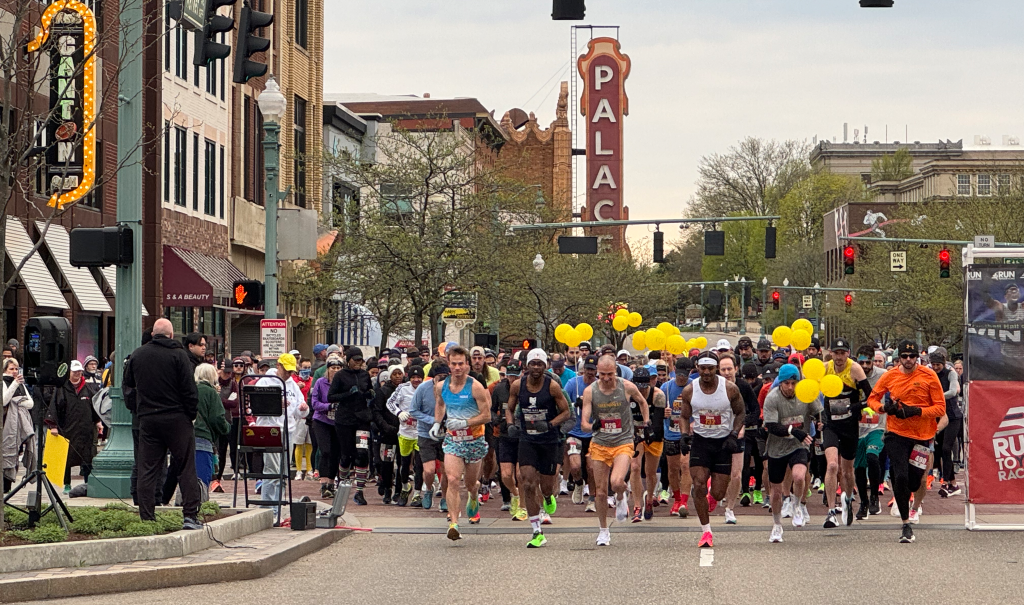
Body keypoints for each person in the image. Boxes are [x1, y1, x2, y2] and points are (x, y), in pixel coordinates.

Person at [123, 318, 202, 529]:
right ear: (170, 335)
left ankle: (147, 517)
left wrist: (138, 410)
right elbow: (189, 391)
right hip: (177, 418)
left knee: (147, 468)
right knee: (186, 467)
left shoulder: (138, 355)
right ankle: (190, 516)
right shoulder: (179, 356)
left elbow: (128, 389)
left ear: (152, 335)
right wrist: (190, 414)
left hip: (148, 419)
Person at [866, 340, 946, 543]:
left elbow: (940, 408)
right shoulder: (890, 375)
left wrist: (917, 411)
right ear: (898, 358)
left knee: (915, 480)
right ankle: (905, 524)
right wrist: (885, 409)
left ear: (917, 358)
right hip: (896, 432)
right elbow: (872, 399)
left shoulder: (929, 376)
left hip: (922, 435)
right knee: (900, 476)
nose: (908, 360)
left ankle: (911, 504)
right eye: (904, 357)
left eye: (912, 357)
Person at [580, 355, 649, 546]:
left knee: (617, 481)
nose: (606, 378)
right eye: (602, 374)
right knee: (601, 492)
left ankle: (621, 495)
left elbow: (642, 402)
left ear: (616, 372)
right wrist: (587, 425)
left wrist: (646, 421)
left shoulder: (626, 386)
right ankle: (603, 530)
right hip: (600, 442)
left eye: (610, 374)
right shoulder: (590, 391)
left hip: (623, 441)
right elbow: (585, 419)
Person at [678, 352, 745, 548]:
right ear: (697, 368)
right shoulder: (690, 390)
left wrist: (734, 434)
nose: (706, 372)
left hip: (723, 442)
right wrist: (684, 435)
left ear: (716, 368)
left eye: (710, 368)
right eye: (702, 368)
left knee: (717, 493)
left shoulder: (730, 389)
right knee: (698, 484)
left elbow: (741, 412)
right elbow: (683, 416)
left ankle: (711, 497)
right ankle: (706, 531)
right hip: (701, 441)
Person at [506, 349, 571, 548]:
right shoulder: (518, 385)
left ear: (545, 366)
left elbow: (566, 412)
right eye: (532, 364)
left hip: (549, 441)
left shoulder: (552, 387)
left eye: (539, 364)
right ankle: (536, 531)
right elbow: (509, 408)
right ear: (526, 365)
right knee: (526, 482)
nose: (536, 367)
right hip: (528, 439)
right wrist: (510, 425)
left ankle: (549, 496)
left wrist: (551, 424)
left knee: (546, 486)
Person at [432, 346, 492, 541]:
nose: (457, 368)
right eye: (453, 364)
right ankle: (454, 524)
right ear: (448, 364)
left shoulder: (475, 387)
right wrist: (436, 423)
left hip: (474, 439)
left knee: (470, 483)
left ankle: (474, 496)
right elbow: (440, 405)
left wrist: (465, 422)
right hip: (453, 439)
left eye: (461, 364)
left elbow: (486, 415)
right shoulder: (441, 386)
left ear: (467, 365)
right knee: (452, 479)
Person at [762, 364, 821, 542]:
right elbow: (771, 426)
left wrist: (820, 424)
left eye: (793, 383)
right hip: (777, 447)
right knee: (777, 491)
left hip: (799, 445)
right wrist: (793, 431)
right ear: (780, 383)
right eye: (786, 383)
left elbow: (819, 412)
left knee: (799, 476)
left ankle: (797, 505)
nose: (790, 387)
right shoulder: (772, 398)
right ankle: (777, 525)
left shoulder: (806, 394)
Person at [820, 338, 873, 528]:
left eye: (843, 353)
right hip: (830, 425)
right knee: (833, 465)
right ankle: (831, 512)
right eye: (836, 353)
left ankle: (849, 499)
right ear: (831, 353)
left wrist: (854, 406)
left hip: (850, 425)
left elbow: (871, 397)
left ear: (848, 353)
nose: (839, 357)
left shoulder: (855, 369)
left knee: (847, 470)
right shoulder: (825, 368)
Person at [255, 354, 309, 510]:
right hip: (269, 430)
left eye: (291, 371)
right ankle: (267, 508)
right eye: (286, 370)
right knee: (271, 470)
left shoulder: (292, 385)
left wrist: (303, 409)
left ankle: (276, 508)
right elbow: (257, 407)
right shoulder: (265, 382)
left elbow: (299, 411)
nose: (289, 374)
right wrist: (276, 404)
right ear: (278, 366)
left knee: (283, 472)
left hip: (288, 430)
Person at [328, 347, 375, 506]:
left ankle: (360, 491)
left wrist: (369, 394)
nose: (358, 363)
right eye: (355, 360)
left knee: (362, 453)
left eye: (360, 360)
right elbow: (331, 397)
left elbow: (369, 390)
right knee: (346, 455)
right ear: (348, 360)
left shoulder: (364, 375)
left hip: (362, 418)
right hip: (344, 420)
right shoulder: (340, 375)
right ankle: (341, 485)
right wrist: (349, 393)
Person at [45, 360, 100, 494]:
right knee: (67, 458)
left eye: (79, 371)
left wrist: (98, 421)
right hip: (68, 428)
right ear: (69, 372)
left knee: (88, 456)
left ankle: (88, 482)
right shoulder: (62, 388)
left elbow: (94, 406)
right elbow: (54, 407)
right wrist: (53, 425)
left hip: (85, 429)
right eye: (75, 371)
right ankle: (67, 483)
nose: (77, 374)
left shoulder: (88, 389)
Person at [719, 355, 758, 524]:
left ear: (736, 369)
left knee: (736, 474)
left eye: (729, 369)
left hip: (737, 435)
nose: (727, 373)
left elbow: (756, 411)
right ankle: (716, 495)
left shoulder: (743, 386)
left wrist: (743, 425)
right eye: (723, 369)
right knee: (719, 474)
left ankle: (730, 508)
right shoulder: (712, 387)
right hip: (716, 434)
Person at [411, 363, 450, 512]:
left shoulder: (452, 389)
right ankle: (428, 489)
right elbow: (413, 410)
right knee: (429, 470)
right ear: (434, 377)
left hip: (446, 434)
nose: (443, 381)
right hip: (425, 433)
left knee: (446, 470)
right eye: (440, 378)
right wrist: (432, 421)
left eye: (446, 378)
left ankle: (445, 498)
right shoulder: (423, 389)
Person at [628, 367, 665, 522]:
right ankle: (637, 505)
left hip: (653, 433)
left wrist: (649, 431)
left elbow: (658, 422)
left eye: (645, 387)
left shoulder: (658, 396)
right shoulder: (629, 395)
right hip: (634, 432)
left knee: (650, 472)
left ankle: (649, 497)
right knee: (635, 466)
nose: (642, 391)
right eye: (639, 387)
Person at [492, 360, 527, 520]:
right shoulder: (499, 389)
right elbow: (492, 410)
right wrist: (497, 420)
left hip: (523, 435)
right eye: (510, 376)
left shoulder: (526, 388)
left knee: (521, 474)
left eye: (516, 376)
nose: (512, 379)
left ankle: (523, 506)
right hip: (504, 435)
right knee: (506, 474)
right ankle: (515, 494)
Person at [563, 354, 598, 512]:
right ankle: (578, 483)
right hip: (575, 431)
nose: (590, 372)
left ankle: (592, 497)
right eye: (587, 369)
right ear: (583, 370)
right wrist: (573, 403)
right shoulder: (573, 384)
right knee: (575, 465)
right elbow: (562, 404)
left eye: (593, 369)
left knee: (591, 467)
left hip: (593, 432)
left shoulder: (599, 386)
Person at [854, 345, 886, 519]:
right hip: (858, 428)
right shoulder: (852, 374)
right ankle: (863, 502)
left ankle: (874, 495)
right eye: (861, 362)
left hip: (878, 426)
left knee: (872, 456)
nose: (865, 366)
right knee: (859, 467)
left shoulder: (882, 375)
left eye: (868, 362)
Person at [660, 356, 694, 517]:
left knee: (685, 465)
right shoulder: (666, 387)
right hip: (671, 432)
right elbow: (656, 410)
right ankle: (677, 498)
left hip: (688, 433)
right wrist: (663, 413)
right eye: (679, 374)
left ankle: (685, 502)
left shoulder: (694, 387)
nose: (681, 377)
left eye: (685, 374)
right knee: (673, 469)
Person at [391, 365, 424, 507]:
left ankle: (417, 494)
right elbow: (390, 402)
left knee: (419, 465)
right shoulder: (402, 388)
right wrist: (399, 413)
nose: (416, 380)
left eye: (419, 377)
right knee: (404, 465)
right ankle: (405, 488)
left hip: (421, 433)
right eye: (413, 377)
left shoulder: (427, 388)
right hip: (405, 433)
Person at [193, 363, 230, 489]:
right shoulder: (210, 392)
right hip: (203, 436)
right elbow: (217, 418)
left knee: (188, 476)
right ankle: (199, 503)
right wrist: (226, 428)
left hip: (187, 436)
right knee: (203, 476)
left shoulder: (191, 389)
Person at [931, 350, 962, 498]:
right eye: (933, 365)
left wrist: (937, 397)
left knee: (946, 448)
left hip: (953, 416)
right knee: (939, 449)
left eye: (938, 365)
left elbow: (953, 391)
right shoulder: (931, 374)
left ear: (943, 364)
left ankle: (948, 481)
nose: (936, 367)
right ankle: (951, 482)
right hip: (939, 416)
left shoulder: (951, 373)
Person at [311, 357, 342, 499]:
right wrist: (328, 406)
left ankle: (331, 482)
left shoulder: (343, 384)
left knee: (336, 452)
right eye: (333, 367)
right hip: (321, 420)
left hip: (338, 421)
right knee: (325, 451)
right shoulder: (320, 382)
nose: (335, 370)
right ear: (327, 369)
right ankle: (323, 484)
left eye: (338, 368)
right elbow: (315, 403)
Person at [372, 365, 404, 504]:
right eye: (394, 374)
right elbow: (377, 411)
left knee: (402, 463)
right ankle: (387, 489)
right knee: (387, 462)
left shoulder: (406, 390)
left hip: (404, 432)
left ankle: (398, 490)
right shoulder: (383, 391)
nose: (397, 376)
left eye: (400, 373)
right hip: (387, 433)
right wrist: (385, 427)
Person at [2, 358, 34, 493]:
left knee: (15, 455)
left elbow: (30, 403)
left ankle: (8, 487)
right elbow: (4, 400)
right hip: (6, 425)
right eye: (11, 369)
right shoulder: (4, 382)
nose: (14, 372)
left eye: (16, 369)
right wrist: (14, 385)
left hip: (20, 426)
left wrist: (17, 401)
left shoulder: (21, 384)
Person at [211, 359, 240, 493]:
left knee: (223, 451)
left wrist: (220, 401)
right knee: (213, 450)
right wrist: (225, 401)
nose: (228, 375)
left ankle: (218, 479)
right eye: (226, 372)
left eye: (230, 373)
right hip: (213, 421)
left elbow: (234, 403)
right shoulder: (214, 382)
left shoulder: (233, 384)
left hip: (226, 420)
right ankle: (212, 478)